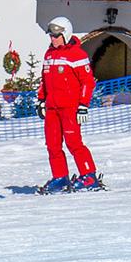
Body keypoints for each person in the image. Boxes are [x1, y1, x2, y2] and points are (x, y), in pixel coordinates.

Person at [39, 17, 101, 192]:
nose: (52, 39)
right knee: (52, 145)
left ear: (65, 34)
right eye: (51, 35)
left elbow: (88, 82)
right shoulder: (49, 55)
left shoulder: (77, 55)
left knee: (74, 143)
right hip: (52, 107)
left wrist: (83, 105)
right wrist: (42, 100)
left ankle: (89, 176)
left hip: (70, 107)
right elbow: (44, 81)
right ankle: (60, 177)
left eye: (56, 35)